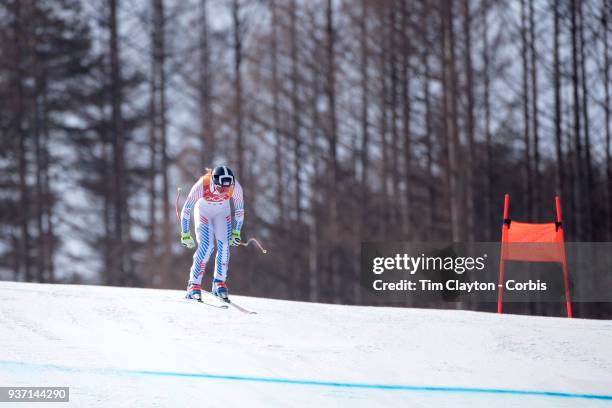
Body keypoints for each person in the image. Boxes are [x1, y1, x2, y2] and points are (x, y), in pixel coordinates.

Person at [180, 165, 244, 300]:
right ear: (214, 182)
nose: (224, 191)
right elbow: (186, 209)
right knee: (207, 246)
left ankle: (219, 282)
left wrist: (236, 232)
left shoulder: (236, 187)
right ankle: (193, 284)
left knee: (225, 245)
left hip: (222, 212)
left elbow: (239, 211)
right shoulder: (202, 184)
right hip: (204, 211)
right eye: (221, 187)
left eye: (227, 188)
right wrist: (185, 233)